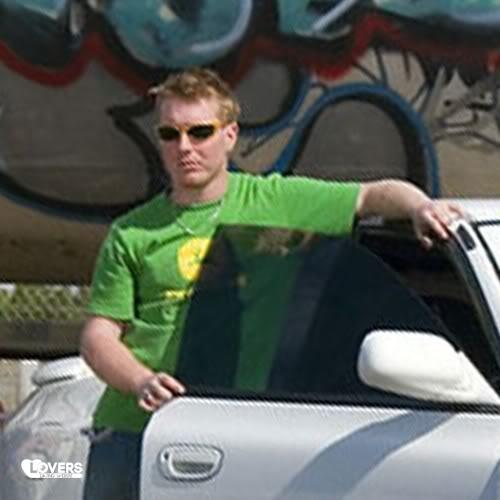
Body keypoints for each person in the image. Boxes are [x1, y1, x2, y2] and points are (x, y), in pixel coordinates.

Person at [80, 67, 464, 499]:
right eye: (170, 134)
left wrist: (420, 207)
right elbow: (98, 338)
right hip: (132, 433)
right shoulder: (132, 231)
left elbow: (370, 196)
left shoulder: (273, 200)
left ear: (229, 135)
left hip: (228, 434)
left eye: (200, 132)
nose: (184, 147)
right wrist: (140, 381)